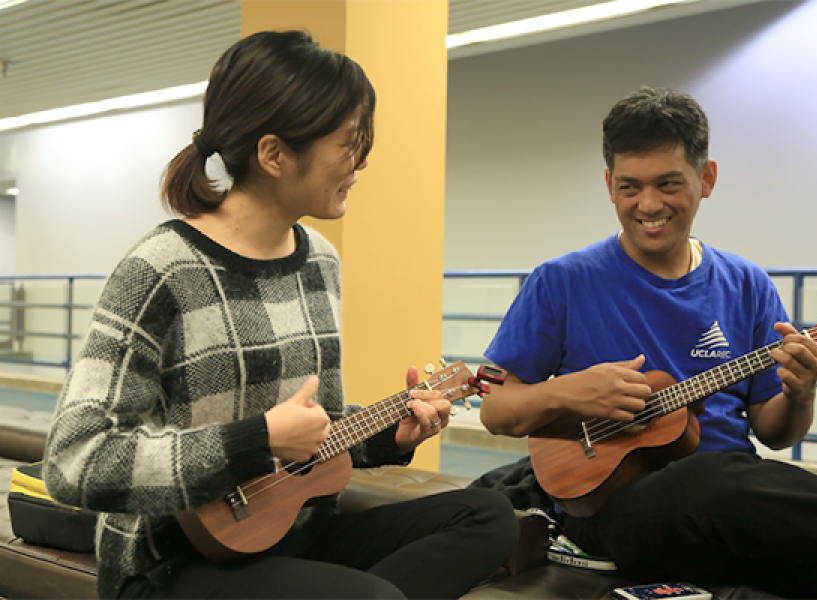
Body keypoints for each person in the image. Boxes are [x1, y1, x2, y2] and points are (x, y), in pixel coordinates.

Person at [43, 30, 518, 600]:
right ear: (274, 154)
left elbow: (320, 434)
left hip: (294, 533)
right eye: (347, 145)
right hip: (170, 561)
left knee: (489, 515)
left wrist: (390, 434)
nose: (360, 163)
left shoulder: (320, 260)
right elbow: (75, 461)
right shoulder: (161, 269)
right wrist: (255, 439)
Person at [475, 86, 817, 600]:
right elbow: (496, 409)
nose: (648, 205)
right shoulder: (561, 281)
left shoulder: (747, 284)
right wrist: (569, 393)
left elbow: (776, 432)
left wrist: (800, 393)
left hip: (733, 497)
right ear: (609, 185)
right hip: (615, 509)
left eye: (668, 184)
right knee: (709, 480)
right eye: (630, 186)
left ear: (707, 179)